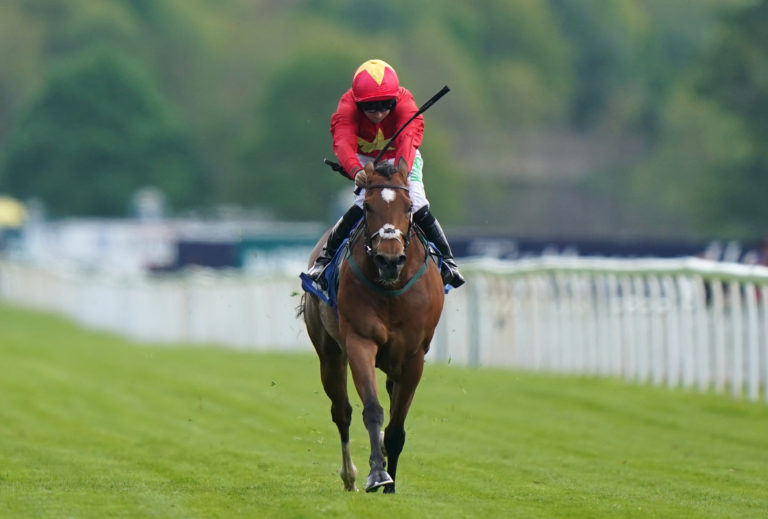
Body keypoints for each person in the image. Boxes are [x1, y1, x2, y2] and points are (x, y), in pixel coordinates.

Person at [305, 58, 465, 288]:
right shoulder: (346, 108)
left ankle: (448, 261)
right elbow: (342, 143)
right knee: (363, 202)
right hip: (364, 159)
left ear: (395, 99)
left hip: (400, 156)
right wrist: (355, 170)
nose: (378, 113)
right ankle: (324, 260)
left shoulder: (406, 104)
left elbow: (408, 141)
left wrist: (402, 171)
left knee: (417, 201)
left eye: (385, 104)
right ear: (357, 103)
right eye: (369, 107)